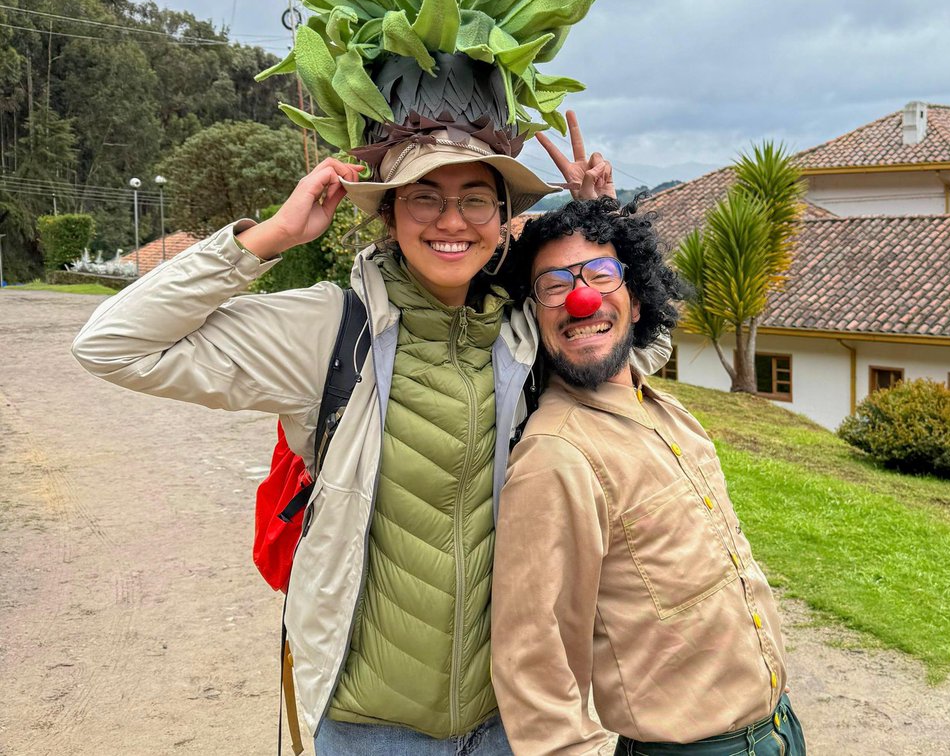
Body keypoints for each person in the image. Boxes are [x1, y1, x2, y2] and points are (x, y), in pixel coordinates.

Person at [71, 113, 666, 754]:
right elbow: (111, 345)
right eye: (424, 198)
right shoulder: (330, 328)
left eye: (474, 199)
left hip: (514, 719)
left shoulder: (525, 333)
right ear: (389, 216)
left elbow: (637, 350)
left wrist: (608, 230)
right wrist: (270, 236)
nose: (451, 220)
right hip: (371, 728)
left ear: (501, 221)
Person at [491, 198, 807, 756]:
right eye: (554, 285)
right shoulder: (555, 456)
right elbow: (532, 661)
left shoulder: (670, 414)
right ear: (535, 315)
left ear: (636, 302)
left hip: (779, 730)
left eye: (600, 275)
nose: (580, 298)